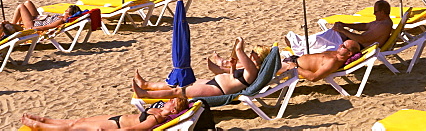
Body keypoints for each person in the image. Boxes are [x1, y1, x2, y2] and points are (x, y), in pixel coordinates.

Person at [133, 38, 268, 99]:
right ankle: (146, 84)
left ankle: (145, 94)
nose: (252, 54)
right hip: (214, 82)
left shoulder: (253, 71)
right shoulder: (250, 70)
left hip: (217, 90)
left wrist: (240, 43)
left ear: (260, 58)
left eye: (255, 53)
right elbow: (235, 79)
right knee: (179, 83)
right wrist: (232, 67)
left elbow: (239, 51)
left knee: (178, 91)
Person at [21, 98, 188, 131]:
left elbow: (135, 129)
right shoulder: (158, 109)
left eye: (172, 102)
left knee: (73, 127)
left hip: (114, 126)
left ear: (173, 111)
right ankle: (45, 120)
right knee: (80, 120)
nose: (169, 101)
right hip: (116, 118)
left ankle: (38, 125)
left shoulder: (157, 118)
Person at [281, 40, 362, 81]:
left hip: (292, 66)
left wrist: (295, 68)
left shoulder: (333, 62)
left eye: (343, 46)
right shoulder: (335, 53)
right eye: (342, 44)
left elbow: (314, 78)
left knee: (269, 68)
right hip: (294, 59)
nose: (340, 45)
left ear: (349, 54)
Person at [329, 0, 394, 48]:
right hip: (357, 43)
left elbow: (362, 39)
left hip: (359, 47)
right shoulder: (380, 22)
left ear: (382, 12)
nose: (374, 14)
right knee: (334, 34)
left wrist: (343, 30)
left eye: (375, 11)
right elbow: (364, 26)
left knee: (332, 37)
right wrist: (345, 25)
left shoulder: (384, 26)